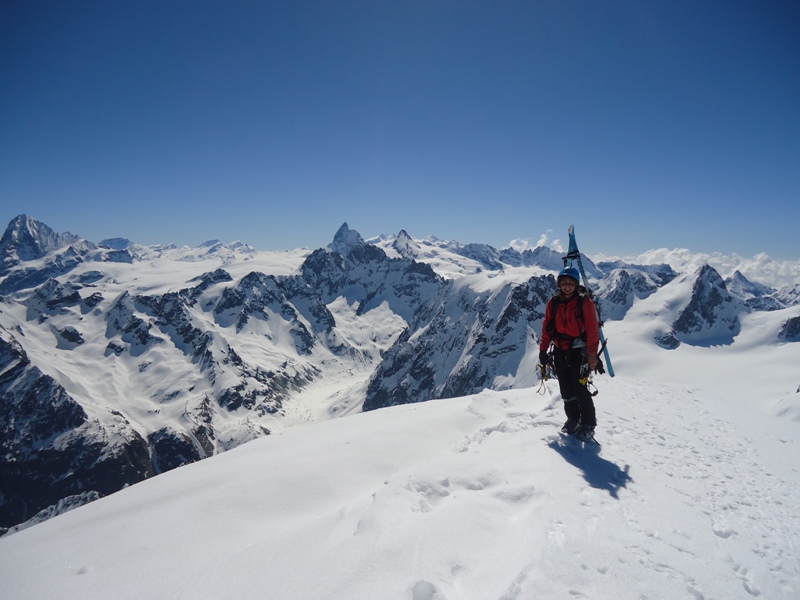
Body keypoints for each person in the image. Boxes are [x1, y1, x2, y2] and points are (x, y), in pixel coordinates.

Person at [539, 266, 601, 442]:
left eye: (571, 283)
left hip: (579, 350)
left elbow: (592, 330)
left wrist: (592, 355)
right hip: (560, 349)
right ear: (559, 284)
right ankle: (573, 418)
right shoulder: (553, 303)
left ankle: (588, 424)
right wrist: (543, 349)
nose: (567, 286)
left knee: (580, 388)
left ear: (576, 285)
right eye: (564, 283)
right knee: (565, 388)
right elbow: (547, 327)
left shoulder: (585, 303)